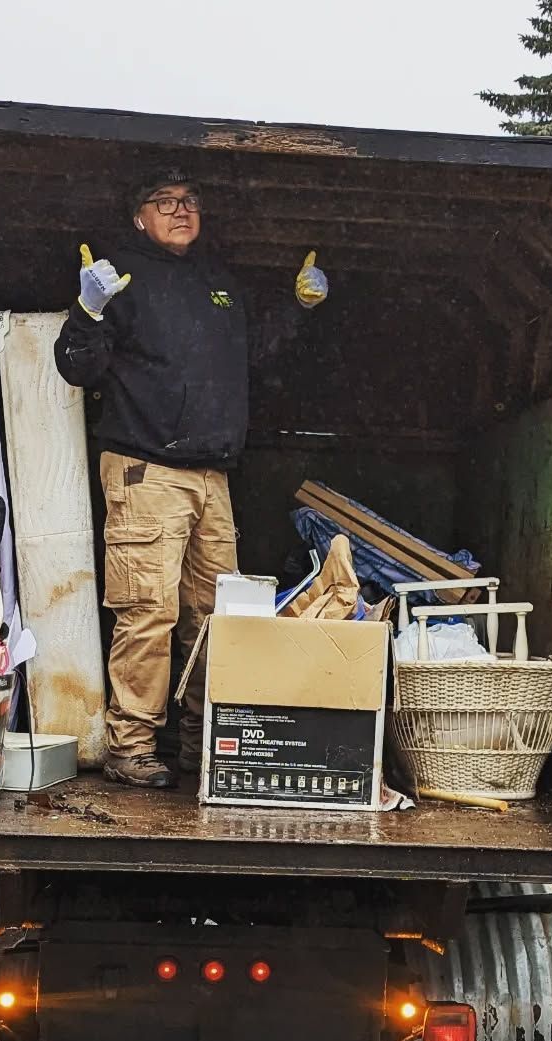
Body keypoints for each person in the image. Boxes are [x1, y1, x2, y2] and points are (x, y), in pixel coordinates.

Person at [54, 167, 328, 788]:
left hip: (212, 477)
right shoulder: (119, 278)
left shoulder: (216, 284)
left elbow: (254, 354)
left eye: (190, 201)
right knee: (149, 610)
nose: (180, 211)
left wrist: (298, 305)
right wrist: (87, 309)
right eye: (164, 202)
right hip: (147, 469)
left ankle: (203, 742)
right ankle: (131, 745)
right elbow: (77, 367)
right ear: (138, 217)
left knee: (215, 616)